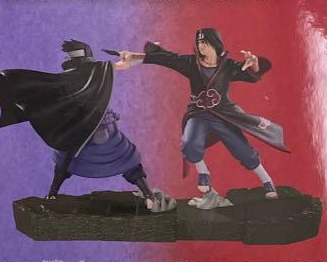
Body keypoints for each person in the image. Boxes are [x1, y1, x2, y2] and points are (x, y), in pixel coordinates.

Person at [0, 39, 173, 212]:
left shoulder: (95, 71)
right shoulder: (83, 74)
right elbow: (123, 65)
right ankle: (53, 193)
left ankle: (148, 195)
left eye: (69, 56)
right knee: (70, 159)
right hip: (79, 128)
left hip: (98, 127)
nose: (67, 59)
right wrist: (146, 56)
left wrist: (146, 56)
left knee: (123, 157)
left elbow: (124, 64)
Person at [117, 28, 287, 208]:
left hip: (224, 114)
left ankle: (267, 181)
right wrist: (133, 56)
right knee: (189, 144)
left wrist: (254, 65)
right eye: (199, 43)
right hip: (198, 114)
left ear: (215, 44)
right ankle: (203, 173)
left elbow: (251, 75)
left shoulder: (228, 66)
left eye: (205, 42)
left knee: (243, 150)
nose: (201, 46)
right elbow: (167, 59)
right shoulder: (191, 63)